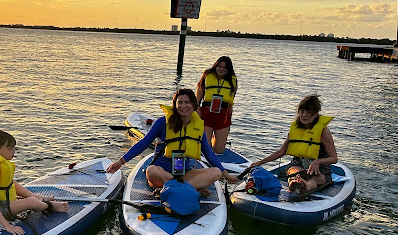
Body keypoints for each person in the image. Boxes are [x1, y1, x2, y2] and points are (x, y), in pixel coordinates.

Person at [106, 89, 240, 191]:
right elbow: (144, 143)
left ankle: (174, 189)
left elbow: (209, 154)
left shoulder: (197, 127)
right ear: (174, 105)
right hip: (161, 175)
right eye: (179, 103)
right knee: (151, 170)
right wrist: (121, 161)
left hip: (184, 175)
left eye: (187, 102)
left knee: (216, 172)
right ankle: (186, 189)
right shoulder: (162, 122)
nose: (183, 106)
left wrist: (226, 175)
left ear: (194, 105)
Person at [0, 129, 68, 235]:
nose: (14, 152)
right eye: (10, 149)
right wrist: (7, 226)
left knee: (12, 183)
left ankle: (37, 197)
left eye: (14, 148)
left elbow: (8, 184)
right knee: (31, 202)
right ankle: (50, 206)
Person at [248, 94, 337, 194]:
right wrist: (260, 162)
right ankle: (295, 183)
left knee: (313, 179)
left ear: (316, 114)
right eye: (302, 111)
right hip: (299, 164)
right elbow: (281, 152)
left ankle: (306, 186)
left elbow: (334, 158)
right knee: (294, 173)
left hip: (319, 169)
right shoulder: (295, 129)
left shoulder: (323, 132)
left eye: (308, 112)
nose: (304, 115)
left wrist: (318, 162)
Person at [196, 56, 237, 155]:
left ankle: (215, 139)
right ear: (215, 66)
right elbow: (197, 100)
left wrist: (229, 117)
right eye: (220, 66)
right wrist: (198, 114)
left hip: (223, 114)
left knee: (219, 150)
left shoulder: (232, 81)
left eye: (225, 67)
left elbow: (231, 102)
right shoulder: (207, 76)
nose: (222, 69)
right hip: (207, 112)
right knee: (206, 145)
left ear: (228, 69)